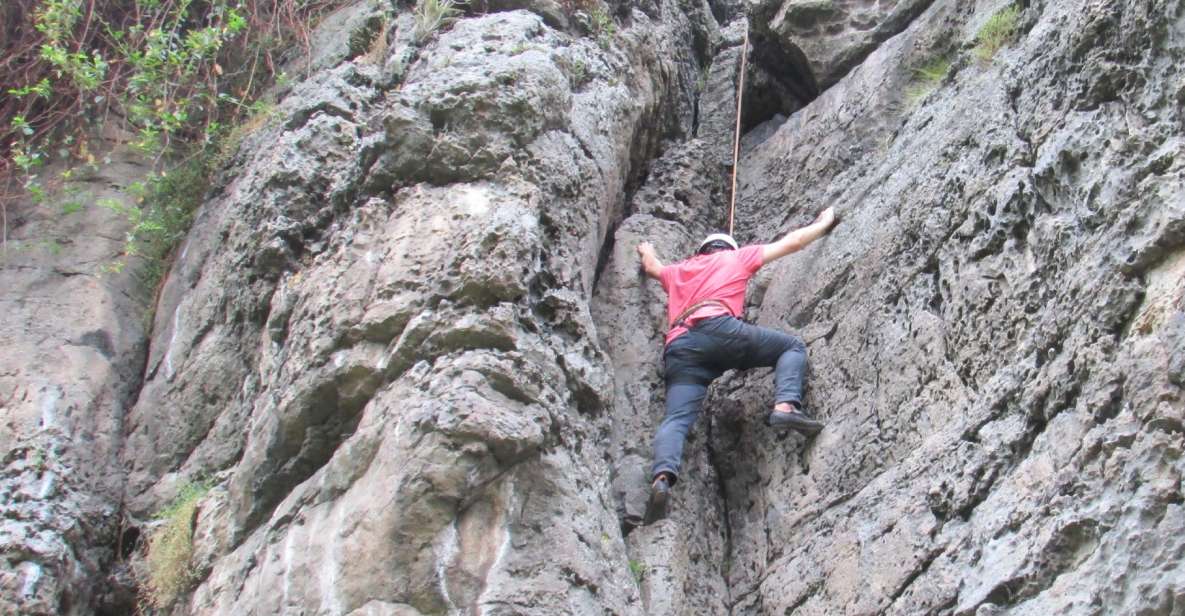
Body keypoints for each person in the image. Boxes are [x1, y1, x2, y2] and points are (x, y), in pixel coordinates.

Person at [635, 207, 839, 524]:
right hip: (719, 329)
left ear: (701, 250)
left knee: (676, 418)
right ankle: (785, 407)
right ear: (727, 248)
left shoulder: (679, 271)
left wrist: (646, 248)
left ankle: (661, 478)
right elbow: (794, 242)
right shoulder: (736, 257)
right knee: (791, 347)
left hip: (680, 346)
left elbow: (651, 267)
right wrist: (824, 223)